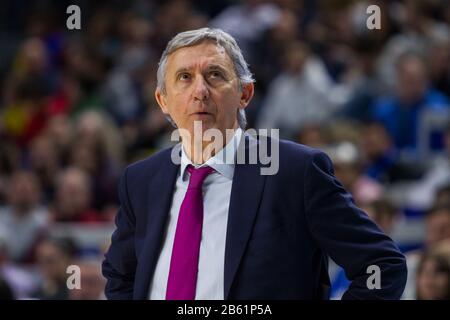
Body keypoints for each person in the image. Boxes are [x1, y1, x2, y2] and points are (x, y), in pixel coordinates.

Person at [102, 28, 407, 300]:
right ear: (163, 101)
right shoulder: (140, 180)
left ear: (244, 94)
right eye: (185, 78)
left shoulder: (294, 171)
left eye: (215, 75)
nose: (200, 91)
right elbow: (121, 277)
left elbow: (381, 266)